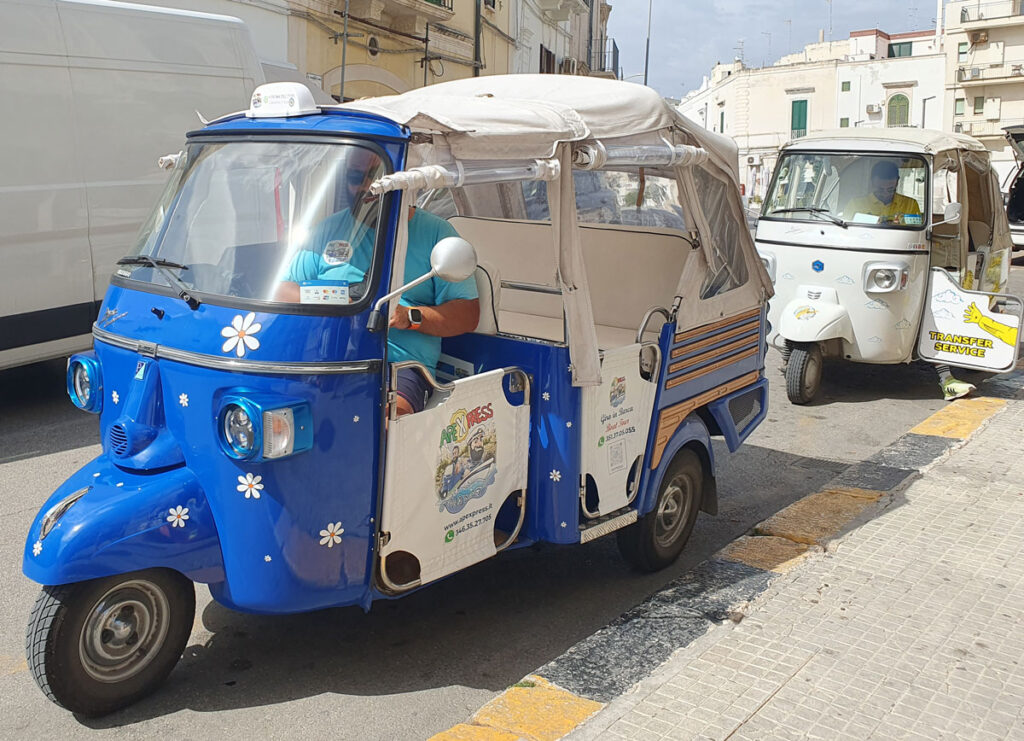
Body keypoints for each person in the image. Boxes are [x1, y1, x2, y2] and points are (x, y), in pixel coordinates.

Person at [277, 148, 479, 415]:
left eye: (375, 178)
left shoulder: (437, 233)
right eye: (354, 177)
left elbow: (467, 314)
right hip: (329, 358)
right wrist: (338, 299)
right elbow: (283, 291)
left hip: (400, 366)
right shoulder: (327, 229)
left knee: (382, 424)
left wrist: (409, 316)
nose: (364, 187)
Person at [844, 160, 922, 225]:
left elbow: (917, 233)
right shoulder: (855, 204)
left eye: (890, 189)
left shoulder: (910, 205)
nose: (885, 194)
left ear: (897, 181)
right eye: (880, 190)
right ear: (872, 182)